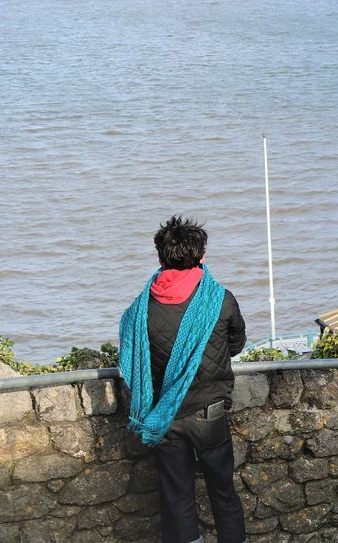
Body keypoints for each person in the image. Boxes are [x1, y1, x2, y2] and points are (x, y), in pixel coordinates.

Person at [118, 215, 247, 543]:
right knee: (223, 492)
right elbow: (237, 343)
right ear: (201, 258)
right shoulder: (220, 299)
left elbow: (133, 358)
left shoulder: (140, 308)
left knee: (176, 497)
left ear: (161, 258)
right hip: (209, 413)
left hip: (164, 417)